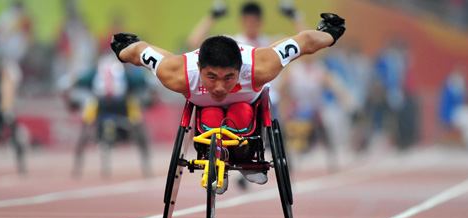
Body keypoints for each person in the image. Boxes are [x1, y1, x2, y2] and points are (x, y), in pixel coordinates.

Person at [110, 13, 346, 193]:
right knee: (212, 111)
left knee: (240, 109)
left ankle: (244, 158)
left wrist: (330, 35)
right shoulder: (178, 73)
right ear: (199, 69)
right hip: (206, 111)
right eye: (211, 77)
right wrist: (123, 49)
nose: (220, 87)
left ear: (240, 70)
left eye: (228, 78)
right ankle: (217, 157)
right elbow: (142, 53)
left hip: (246, 110)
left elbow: (303, 42)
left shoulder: (259, 65)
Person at [0, 37, 26, 174]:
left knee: (12, 121)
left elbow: (7, 92)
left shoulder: (3, 73)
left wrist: (6, 109)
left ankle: (21, 164)